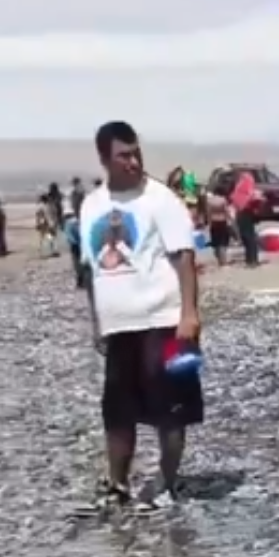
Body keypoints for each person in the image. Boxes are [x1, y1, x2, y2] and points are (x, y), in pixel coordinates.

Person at [78, 120, 202, 509]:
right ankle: (117, 485)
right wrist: (97, 322)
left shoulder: (161, 198)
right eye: (123, 155)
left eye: (136, 153)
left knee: (171, 410)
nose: (133, 162)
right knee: (117, 412)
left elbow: (184, 257)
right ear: (104, 159)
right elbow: (92, 271)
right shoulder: (92, 205)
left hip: (165, 321)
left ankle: (167, 480)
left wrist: (190, 313)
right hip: (120, 327)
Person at [230, 169, 260, 266]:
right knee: (246, 236)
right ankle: (250, 259)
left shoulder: (246, 184)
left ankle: (252, 260)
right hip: (242, 211)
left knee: (248, 236)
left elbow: (249, 196)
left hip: (244, 211)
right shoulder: (242, 186)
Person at [205, 185, 231, 265]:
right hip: (222, 221)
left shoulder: (209, 200)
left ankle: (219, 258)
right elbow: (226, 211)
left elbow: (208, 212)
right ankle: (223, 261)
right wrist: (229, 219)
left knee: (216, 242)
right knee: (222, 242)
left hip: (213, 221)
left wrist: (209, 223)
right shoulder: (223, 200)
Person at [36, 190, 58, 256]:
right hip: (48, 224)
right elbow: (54, 215)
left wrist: (38, 223)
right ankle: (51, 251)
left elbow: (39, 216)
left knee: (42, 238)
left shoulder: (42, 206)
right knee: (50, 238)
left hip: (44, 224)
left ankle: (41, 251)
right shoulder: (50, 206)